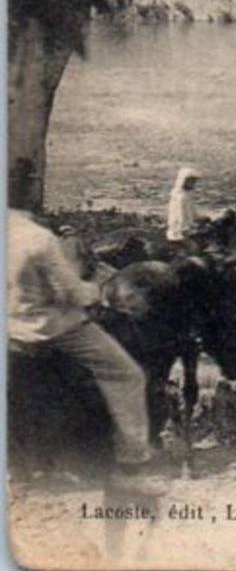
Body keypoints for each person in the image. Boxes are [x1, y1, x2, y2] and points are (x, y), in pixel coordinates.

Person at [7, 206, 167, 496]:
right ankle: (129, 468)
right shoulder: (38, 238)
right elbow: (72, 293)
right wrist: (99, 293)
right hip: (53, 328)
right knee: (126, 375)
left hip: (11, 326)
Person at [165, 166, 208, 245]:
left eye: (194, 181)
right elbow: (180, 216)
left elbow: (192, 212)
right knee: (195, 248)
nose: (192, 183)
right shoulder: (180, 197)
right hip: (179, 233)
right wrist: (187, 229)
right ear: (183, 181)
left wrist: (201, 218)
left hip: (187, 228)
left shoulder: (187, 196)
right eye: (190, 181)